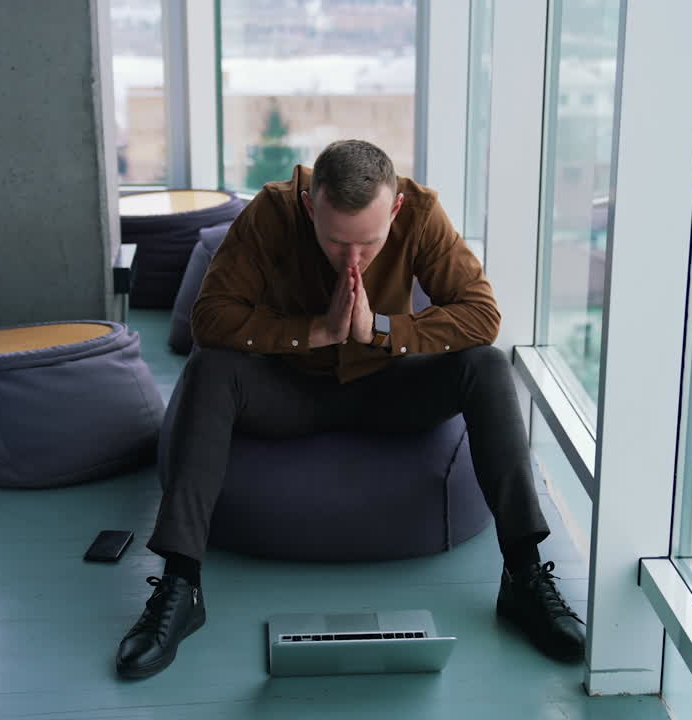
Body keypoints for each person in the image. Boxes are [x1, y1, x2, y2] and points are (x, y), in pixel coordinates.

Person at [115, 140, 585, 679]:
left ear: (396, 210)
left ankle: (524, 576)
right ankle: (181, 585)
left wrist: (379, 330)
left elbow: (481, 315)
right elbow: (210, 319)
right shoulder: (271, 211)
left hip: (389, 387)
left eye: (369, 242)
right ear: (311, 207)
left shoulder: (423, 213)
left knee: (487, 365)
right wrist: (313, 332)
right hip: (290, 390)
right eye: (337, 242)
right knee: (210, 367)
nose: (353, 260)